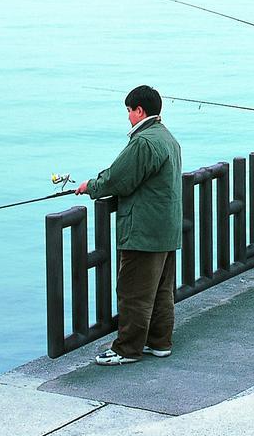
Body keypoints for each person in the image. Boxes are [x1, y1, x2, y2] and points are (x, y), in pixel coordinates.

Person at [75, 85, 182, 366]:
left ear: (139, 110)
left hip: (142, 229)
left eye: (129, 111)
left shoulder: (144, 141)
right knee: (160, 291)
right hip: (166, 227)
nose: (128, 117)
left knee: (133, 291)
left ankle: (127, 348)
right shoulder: (168, 138)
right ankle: (159, 342)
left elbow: (118, 179)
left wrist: (91, 186)